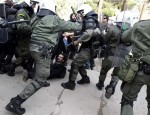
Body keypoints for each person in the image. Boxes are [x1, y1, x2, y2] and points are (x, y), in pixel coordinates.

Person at [5, 0, 82, 114]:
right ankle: (15, 102)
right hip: (43, 52)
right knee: (40, 79)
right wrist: (79, 20)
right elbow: (76, 27)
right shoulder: (54, 19)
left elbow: (26, 27)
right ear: (52, 10)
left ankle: (30, 78)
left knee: (39, 72)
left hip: (33, 49)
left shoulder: (35, 18)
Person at [61, 4, 101, 90]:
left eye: (80, 13)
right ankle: (85, 78)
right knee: (79, 63)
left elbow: (88, 33)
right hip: (89, 47)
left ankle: (71, 84)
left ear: (84, 11)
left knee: (74, 64)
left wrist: (77, 41)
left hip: (89, 48)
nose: (80, 15)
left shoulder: (90, 20)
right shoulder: (91, 19)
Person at [96, 11, 132, 99]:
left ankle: (100, 84)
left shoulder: (113, 28)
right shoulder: (132, 31)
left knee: (104, 70)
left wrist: (102, 35)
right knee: (116, 75)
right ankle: (112, 86)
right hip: (124, 57)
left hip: (111, 55)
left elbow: (105, 40)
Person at [120, 19, 150, 115]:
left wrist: (125, 30)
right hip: (140, 68)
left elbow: (124, 37)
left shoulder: (141, 24)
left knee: (128, 99)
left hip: (139, 70)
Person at [5, 0, 39, 76]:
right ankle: (11, 67)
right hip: (23, 37)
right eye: (34, 4)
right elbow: (21, 26)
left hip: (28, 36)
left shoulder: (29, 12)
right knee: (26, 54)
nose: (35, 6)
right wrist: (33, 28)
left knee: (27, 54)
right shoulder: (22, 11)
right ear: (29, 4)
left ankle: (25, 67)